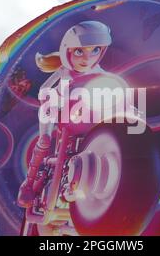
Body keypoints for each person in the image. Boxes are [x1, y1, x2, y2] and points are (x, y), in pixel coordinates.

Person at [17, 21, 112, 207]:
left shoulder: (100, 73)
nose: (87, 57)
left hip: (87, 108)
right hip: (60, 106)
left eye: (95, 50)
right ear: (68, 51)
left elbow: (114, 86)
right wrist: (47, 96)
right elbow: (45, 87)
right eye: (80, 51)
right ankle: (29, 184)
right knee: (44, 141)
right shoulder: (64, 70)